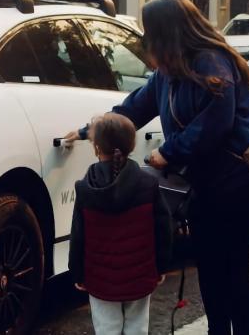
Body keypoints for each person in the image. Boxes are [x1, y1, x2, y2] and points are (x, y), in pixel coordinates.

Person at [65, 0, 249, 335]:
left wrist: (168, 152)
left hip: (242, 180)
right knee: (208, 264)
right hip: (206, 182)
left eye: (150, 30)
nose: (147, 39)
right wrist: (90, 130)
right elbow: (133, 109)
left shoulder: (212, 63)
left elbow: (215, 124)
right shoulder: (168, 72)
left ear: (168, 31)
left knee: (232, 265)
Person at [69, 112, 172, 335]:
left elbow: (78, 235)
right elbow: (163, 229)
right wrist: (161, 266)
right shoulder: (148, 183)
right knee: (137, 327)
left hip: (100, 280)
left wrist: (78, 273)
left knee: (107, 328)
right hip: (140, 276)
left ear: (96, 147)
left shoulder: (86, 188)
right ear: (132, 145)